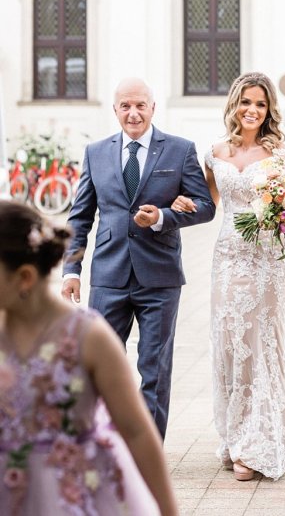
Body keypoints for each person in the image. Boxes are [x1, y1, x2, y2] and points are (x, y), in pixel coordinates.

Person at [171, 72, 285, 482]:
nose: (252, 110)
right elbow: (207, 203)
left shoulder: (281, 154)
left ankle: (260, 441)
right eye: (246, 102)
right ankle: (234, 436)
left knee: (262, 343)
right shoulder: (214, 153)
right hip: (227, 258)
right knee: (230, 343)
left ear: (269, 110)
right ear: (234, 104)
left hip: (267, 262)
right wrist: (179, 205)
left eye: (261, 104)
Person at [0, 199, 178, 515]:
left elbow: (136, 430)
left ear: (24, 277)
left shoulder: (88, 336)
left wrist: (168, 510)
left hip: (76, 494)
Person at [61, 77, 215, 440]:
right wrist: (70, 270)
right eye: (125, 106)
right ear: (115, 110)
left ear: (152, 108)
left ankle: (147, 454)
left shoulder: (179, 150)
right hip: (108, 277)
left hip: (159, 278)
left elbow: (206, 206)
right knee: (99, 367)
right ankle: (102, 445)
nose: (133, 113)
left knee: (154, 370)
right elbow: (79, 218)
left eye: (140, 105)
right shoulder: (95, 153)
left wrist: (163, 217)